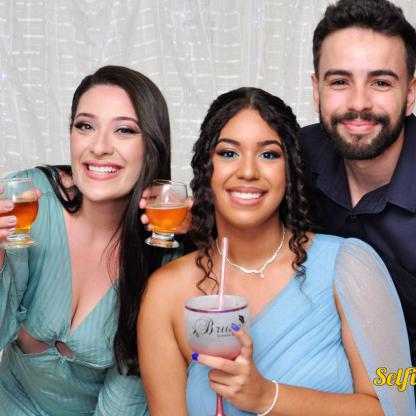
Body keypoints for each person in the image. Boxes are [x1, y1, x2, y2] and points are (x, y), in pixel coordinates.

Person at [138, 87, 414, 415]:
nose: (248, 171)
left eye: (268, 154)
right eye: (229, 153)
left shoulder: (348, 265)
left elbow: (397, 403)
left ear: (290, 169)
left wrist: (267, 396)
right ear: (206, 167)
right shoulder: (166, 293)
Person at [0, 65, 173, 415]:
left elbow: (126, 398)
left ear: (151, 146)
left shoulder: (162, 251)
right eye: (85, 126)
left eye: (124, 130)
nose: (99, 147)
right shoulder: (28, 201)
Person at [299, 0, 416, 364]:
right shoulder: (291, 155)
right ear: (317, 90)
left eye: (380, 82)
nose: (359, 103)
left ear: (410, 93)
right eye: (340, 82)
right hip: (315, 372)